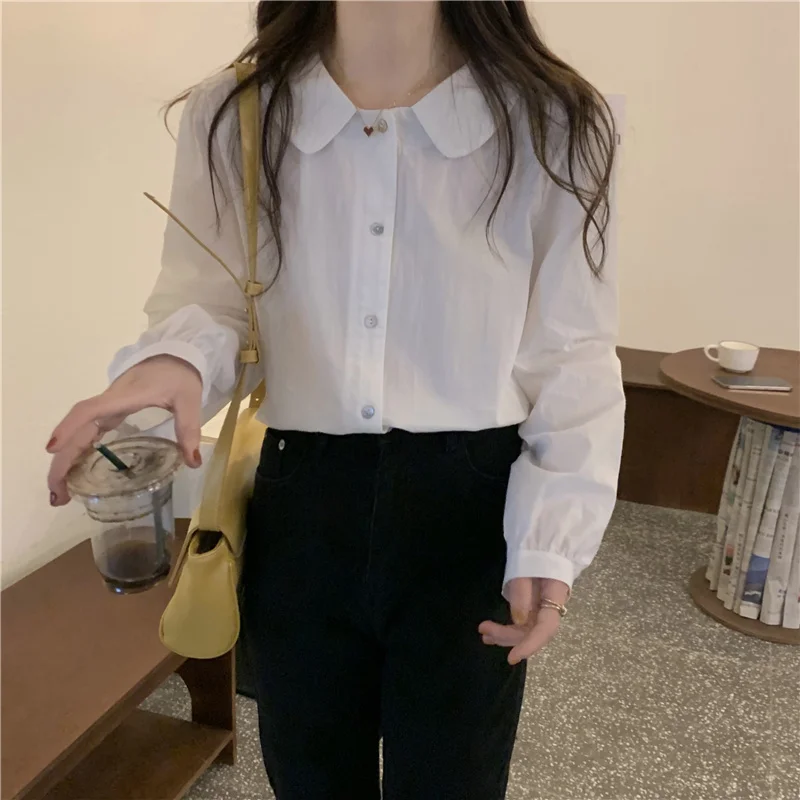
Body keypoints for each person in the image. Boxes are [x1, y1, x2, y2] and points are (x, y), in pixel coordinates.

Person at [46, 2, 625, 798]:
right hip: (301, 503)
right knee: (309, 774)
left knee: (454, 780)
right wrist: (174, 361)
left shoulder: (556, 120)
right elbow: (210, 295)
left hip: (468, 514)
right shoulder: (237, 109)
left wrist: (553, 536)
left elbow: (572, 349)